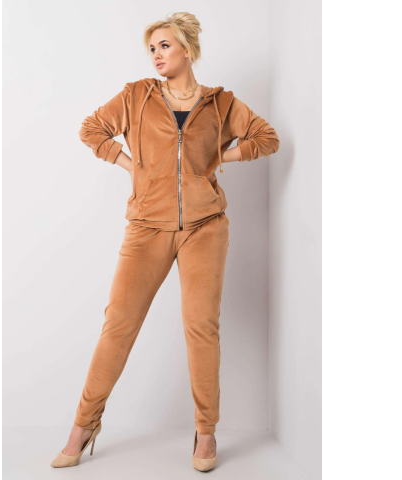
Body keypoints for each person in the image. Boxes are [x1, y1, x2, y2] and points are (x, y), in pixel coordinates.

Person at [51, 11, 279, 472]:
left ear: (187, 49)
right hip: (146, 226)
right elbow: (91, 129)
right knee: (118, 325)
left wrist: (222, 158)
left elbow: (266, 137)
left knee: (201, 327)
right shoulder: (136, 95)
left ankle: (205, 432)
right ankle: (83, 425)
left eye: (164, 46)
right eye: (151, 48)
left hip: (204, 227)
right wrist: (129, 165)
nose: (156, 55)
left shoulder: (220, 104)